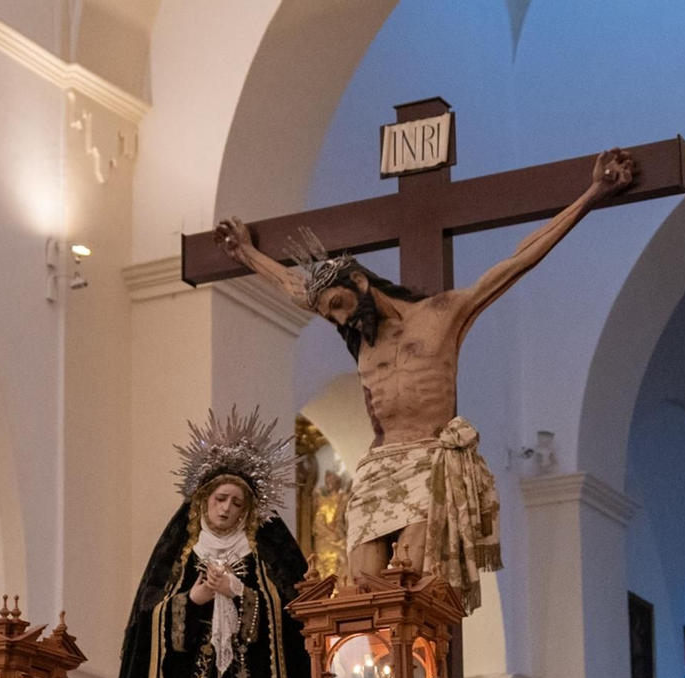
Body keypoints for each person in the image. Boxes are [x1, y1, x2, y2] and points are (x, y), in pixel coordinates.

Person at [214, 148, 636, 612]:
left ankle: (422, 676)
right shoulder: (359, 335)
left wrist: (594, 192)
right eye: (328, 312)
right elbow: (296, 290)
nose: (336, 319)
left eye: (337, 304)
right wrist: (247, 252)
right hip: (378, 466)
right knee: (362, 584)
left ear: (359, 285)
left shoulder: (442, 314)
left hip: (428, 461)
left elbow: (518, 261)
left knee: (411, 582)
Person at [94, 409, 350, 678]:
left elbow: (294, 624)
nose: (227, 509)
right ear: (203, 501)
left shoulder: (265, 556)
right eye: (220, 499)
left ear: (248, 510)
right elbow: (147, 630)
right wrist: (191, 600)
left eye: (237, 502)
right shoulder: (179, 555)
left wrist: (241, 593)